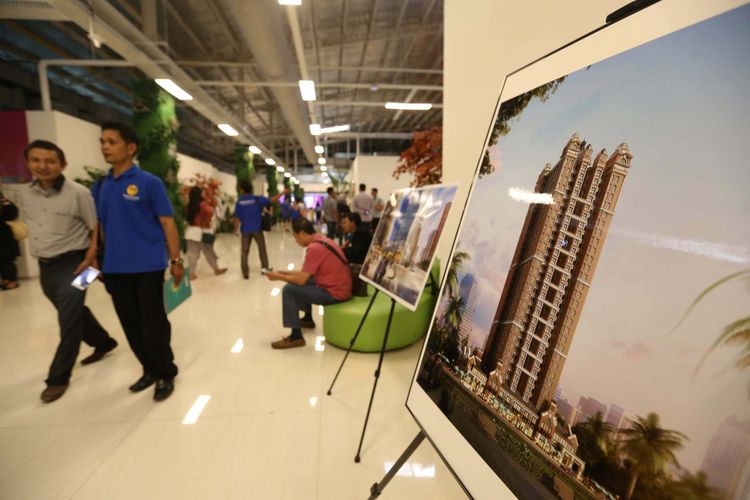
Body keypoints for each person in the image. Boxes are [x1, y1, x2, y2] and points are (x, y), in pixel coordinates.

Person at [20, 140, 119, 402]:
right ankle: (103, 342)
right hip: (46, 267)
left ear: (62, 165)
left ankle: (58, 377)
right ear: (28, 163)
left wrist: (92, 256)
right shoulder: (25, 194)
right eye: (36, 160)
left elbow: (94, 225)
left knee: (69, 319)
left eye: (50, 161)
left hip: (78, 265)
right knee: (72, 310)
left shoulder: (78, 193)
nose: (43, 166)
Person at [95, 121, 182, 402]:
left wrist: (175, 259)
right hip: (114, 267)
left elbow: (167, 223)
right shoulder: (102, 185)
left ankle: (165, 372)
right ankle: (149, 369)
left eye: (112, 141)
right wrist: (93, 258)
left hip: (148, 264)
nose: (105, 147)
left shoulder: (149, 183)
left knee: (153, 321)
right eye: (103, 141)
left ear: (130, 148)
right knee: (130, 322)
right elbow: (98, 225)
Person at [265, 218, 352, 349]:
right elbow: (306, 274)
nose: (296, 241)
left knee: (289, 290)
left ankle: (296, 337)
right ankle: (307, 319)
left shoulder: (314, 248)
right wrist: (284, 273)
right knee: (305, 282)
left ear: (302, 233)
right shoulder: (323, 240)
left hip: (335, 293)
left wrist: (278, 277)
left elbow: (301, 280)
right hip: (340, 285)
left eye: (296, 238)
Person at [233, 181, 285, 279]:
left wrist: (235, 230)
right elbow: (272, 200)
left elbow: (237, 218)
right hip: (257, 229)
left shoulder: (239, 202)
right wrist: (283, 193)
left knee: (244, 251)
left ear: (242, 190)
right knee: (262, 249)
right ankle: (265, 269)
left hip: (245, 230)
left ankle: (245, 273)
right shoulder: (256, 199)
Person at [185, 186, 227, 280]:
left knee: (192, 253)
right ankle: (216, 269)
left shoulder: (189, 205)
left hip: (190, 231)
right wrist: (206, 221)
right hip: (202, 231)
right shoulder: (203, 204)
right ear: (199, 194)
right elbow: (210, 211)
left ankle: (191, 273)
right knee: (208, 251)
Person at [0, 183, 20, 291]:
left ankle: (11, 280)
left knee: (6, 259)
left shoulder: (4, 201)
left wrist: (4, 202)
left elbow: (12, 214)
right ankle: (6, 280)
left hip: (4, 236)